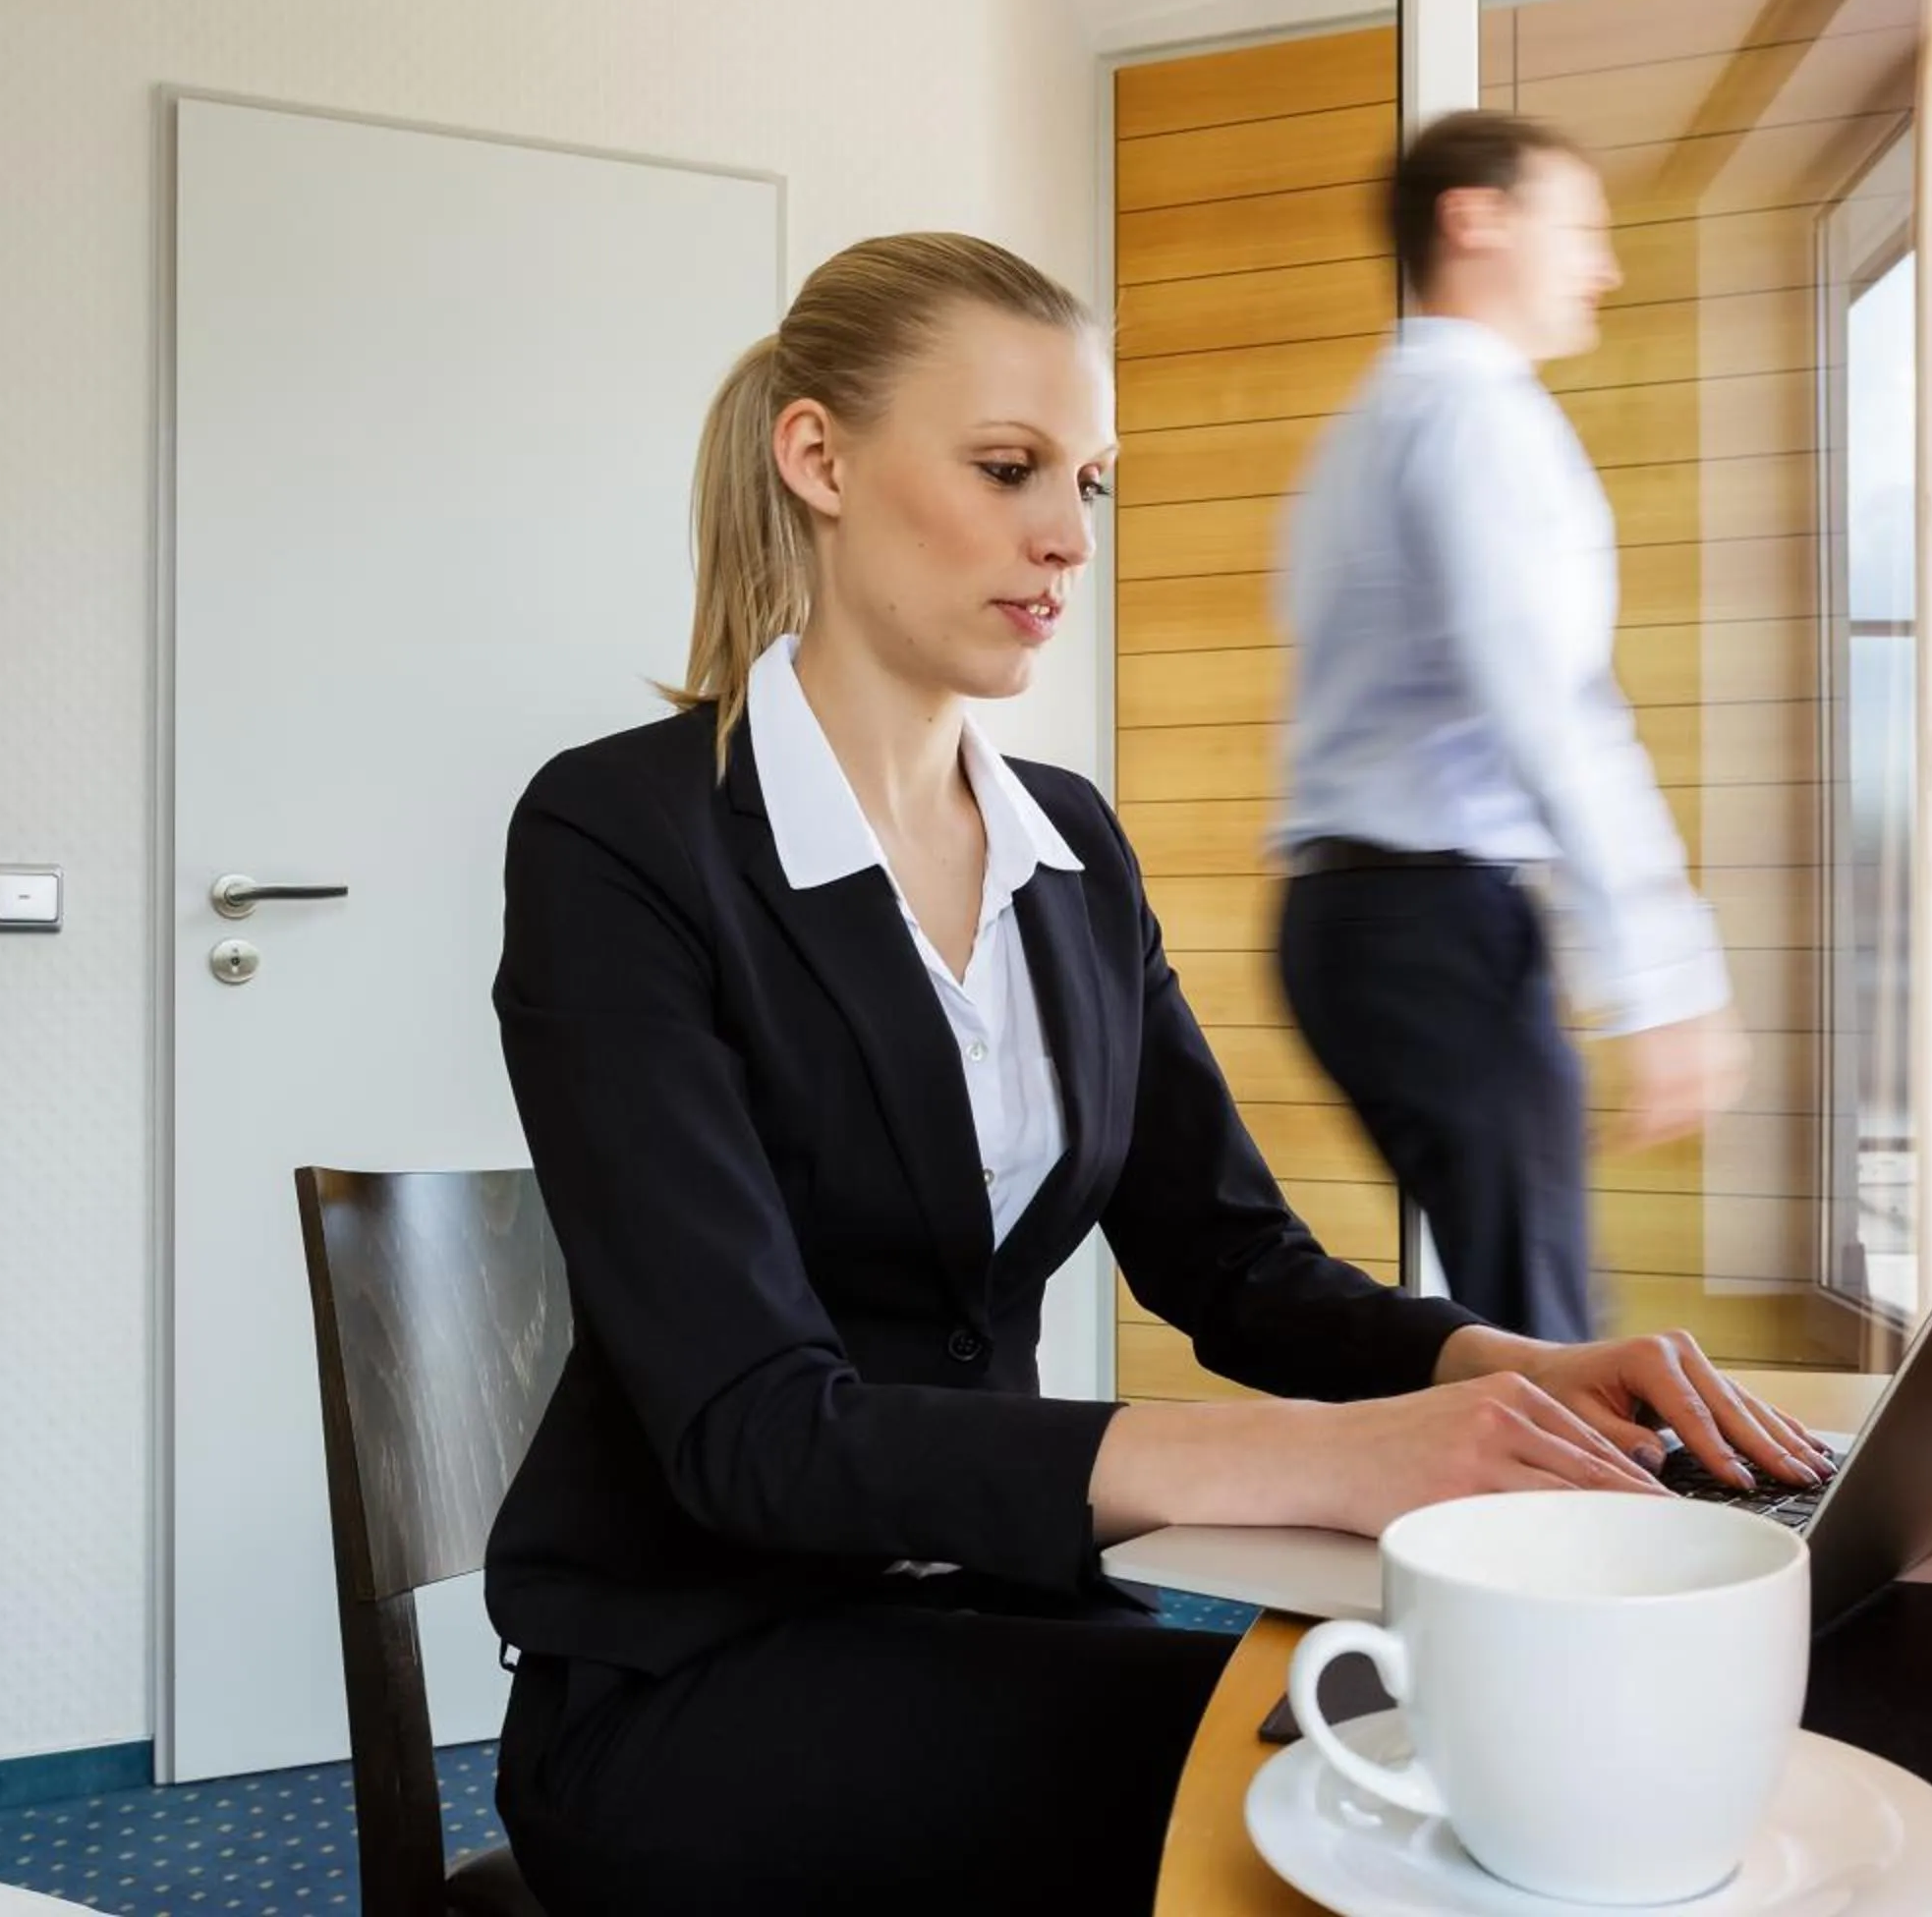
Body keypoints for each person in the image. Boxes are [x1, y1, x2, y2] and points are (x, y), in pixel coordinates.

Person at [482, 230, 1834, 1915]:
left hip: (995, 1604)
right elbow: (758, 1433)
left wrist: (1525, 1367)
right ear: (817, 456)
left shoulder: (1074, 852)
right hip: (702, 1676)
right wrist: (1332, 1463)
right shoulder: (626, 838)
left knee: (1426, 1745)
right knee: (1378, 1782)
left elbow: (1233, 1264)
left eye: (1089, 486)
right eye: (1006, 469)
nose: (1064, 536)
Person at [1275, 110, 1749, 1345]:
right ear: (1473, 218)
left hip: (1355, 919)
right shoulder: (1477, 415)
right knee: (1542, 1330)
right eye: (1581, 227)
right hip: (1436, 924)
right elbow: (1551, 711)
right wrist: (1661, 973)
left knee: (1523, 1311)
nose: (1606, 264)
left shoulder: (1369, 426)